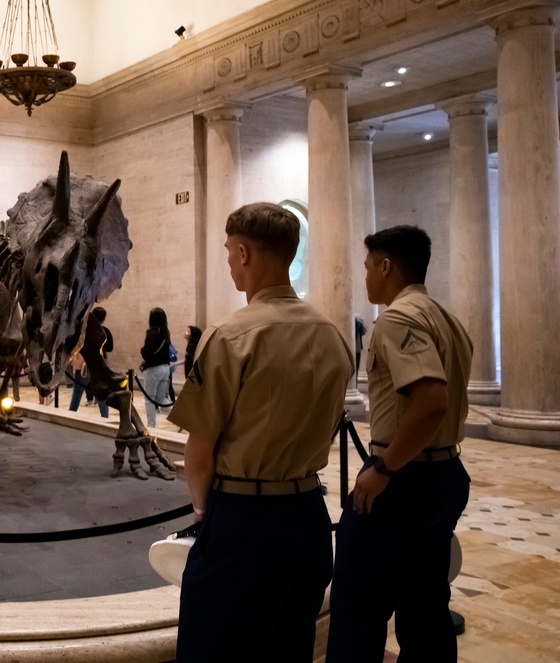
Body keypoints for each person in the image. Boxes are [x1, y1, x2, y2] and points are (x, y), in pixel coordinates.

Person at [168, 202, 353, 662]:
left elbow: (200, 449)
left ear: (245, 253)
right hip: (309, 517)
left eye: (230, 250)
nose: (229, 259)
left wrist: (203, 510)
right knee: (289, 650)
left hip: (243, 521)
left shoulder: (231, 336)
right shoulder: (331, 334)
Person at [327, 226, 473, 663]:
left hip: (405, 481)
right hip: (444, 474)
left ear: (386, 266)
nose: (367, 276)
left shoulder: (397, 319)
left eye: (368, 266)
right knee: (425, 603)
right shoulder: (445, 318)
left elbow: (431, 401)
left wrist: (385, 468)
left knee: (356, 604)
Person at [139, 307, 172, 429]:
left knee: (149, 398)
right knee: (162, 399)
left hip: (154, 369)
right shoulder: (165, 332)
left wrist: (142, 351)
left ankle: (151, 425)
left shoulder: (152, 333)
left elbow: (147, 352)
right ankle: (181, 415)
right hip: (165, 368)